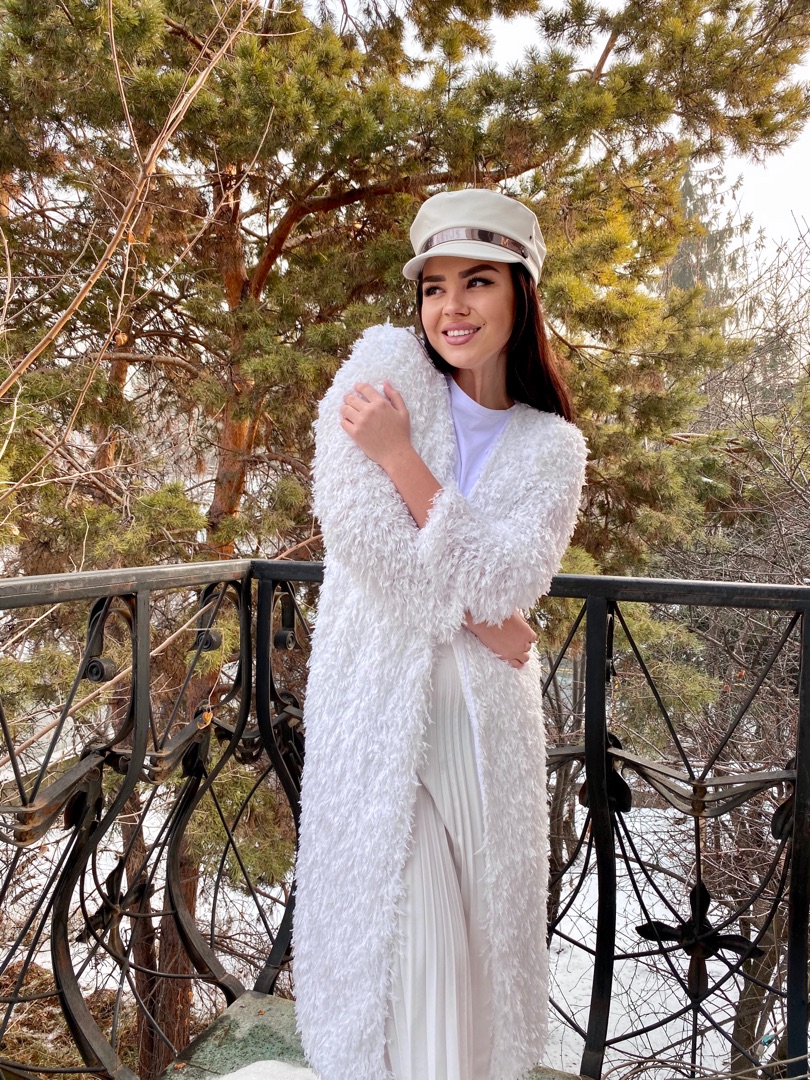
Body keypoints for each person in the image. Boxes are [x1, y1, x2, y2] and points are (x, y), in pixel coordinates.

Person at [292, 188, 587, 1080]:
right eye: (434, 287)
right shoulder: (380, 381)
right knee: (410, 955)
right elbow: (371, 549)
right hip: (376, 722)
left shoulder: (552, 446)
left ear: (520, 295)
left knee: (476, 960)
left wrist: (402, 462)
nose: (451, 307)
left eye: (477, 282)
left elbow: (511, 577)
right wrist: (493, 621)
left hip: (485, 736)